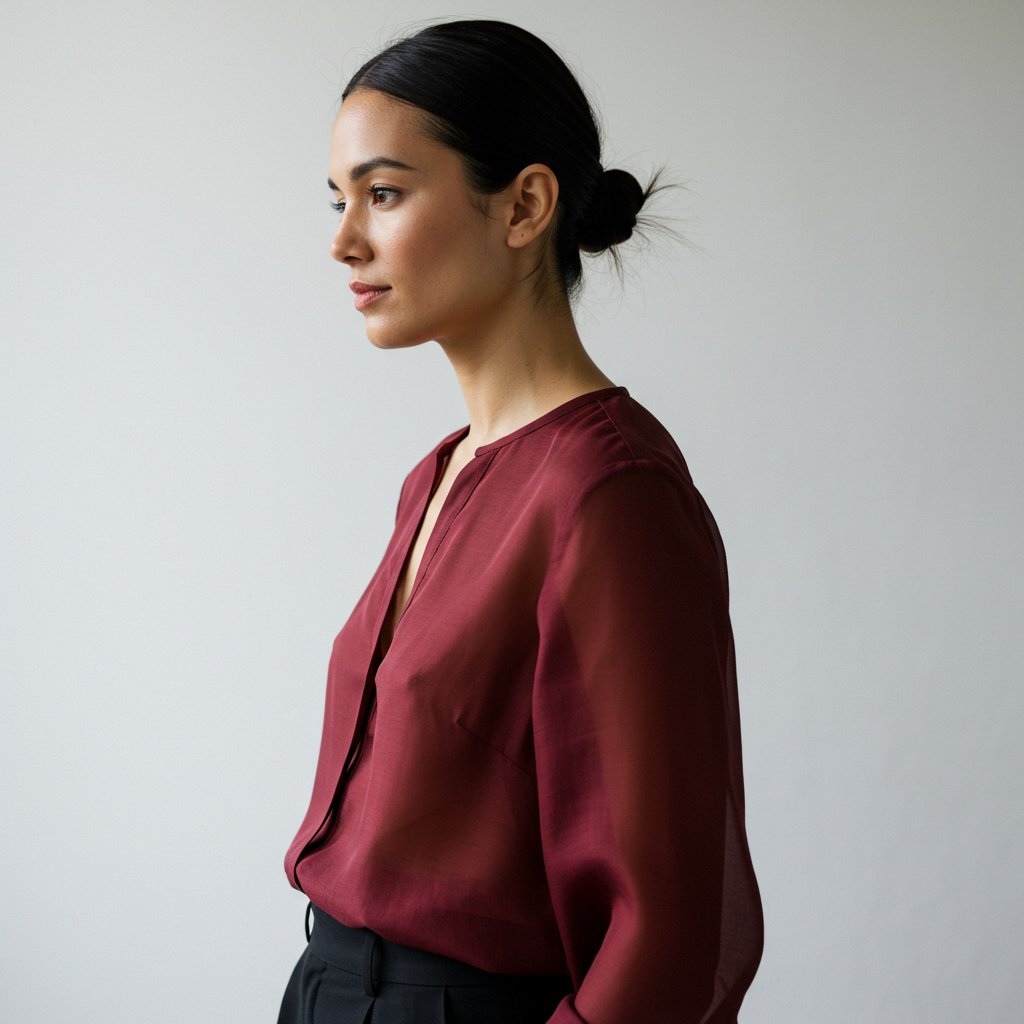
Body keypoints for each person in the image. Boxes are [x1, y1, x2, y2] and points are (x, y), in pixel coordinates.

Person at [278, 19, 763, 1024]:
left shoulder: (609, 493)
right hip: (326, 989)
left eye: (383, 193)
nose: (342, 240)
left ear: (525, 205)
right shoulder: (435, 478)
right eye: (339, 199)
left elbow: (671, 930)